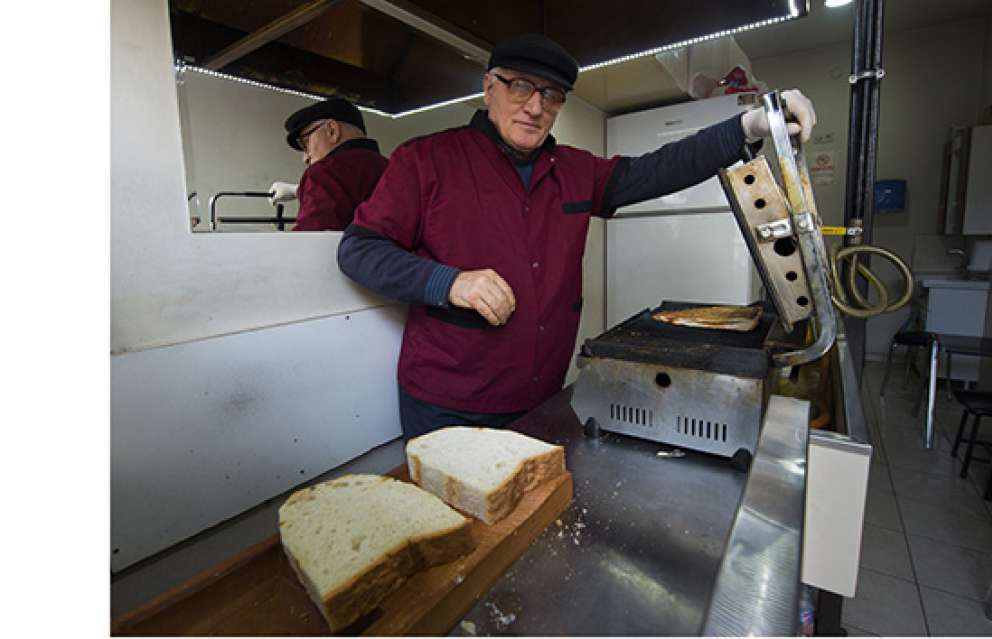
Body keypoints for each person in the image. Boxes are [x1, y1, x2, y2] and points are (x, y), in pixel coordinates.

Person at [337, 33, 816, 439]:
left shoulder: (574, 170)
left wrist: (747, 125)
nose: (534, 106)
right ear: (488, 88)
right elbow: (359, 249)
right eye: (520, 85)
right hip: (449, 404)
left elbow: (657, 169)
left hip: (543, 395)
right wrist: (449, 282)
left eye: (551, 94)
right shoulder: (425, 160)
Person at [268, 98, 389, 231]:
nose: (305, 158)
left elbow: (310, 240)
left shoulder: (325, 172)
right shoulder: (391, 169)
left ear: (332, 130)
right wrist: (298, 190)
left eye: (305, 143)